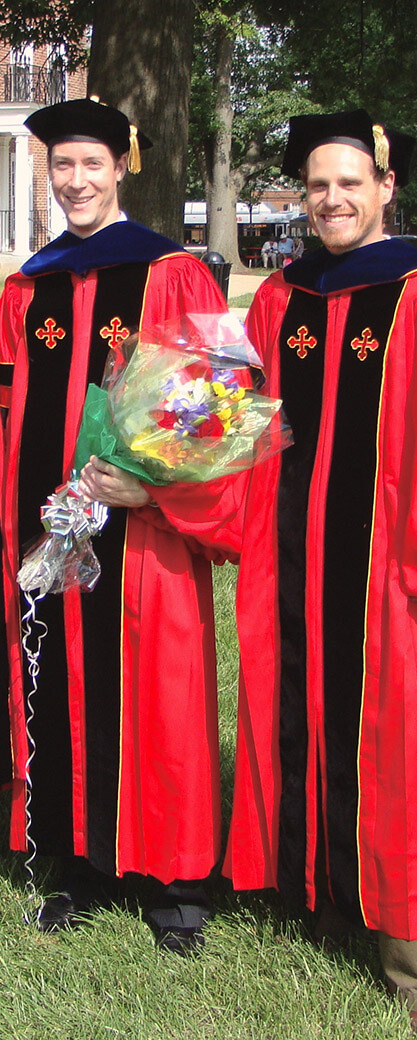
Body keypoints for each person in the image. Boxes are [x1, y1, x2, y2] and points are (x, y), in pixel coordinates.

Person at [223, 110, 417, 1034]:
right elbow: (240, 423)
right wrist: (169, 455)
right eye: (317, 184)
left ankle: (415, 967)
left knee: (398, 748)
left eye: (350, 182)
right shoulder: (279, 301)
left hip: (390, 571)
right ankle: (307, 895)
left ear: (386, 188)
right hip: (289, 563)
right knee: (294, 718)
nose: (331, 198)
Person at [0, 97, 245, 952]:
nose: (75, 181)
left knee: (157, 693)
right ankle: (74, 863)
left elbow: (215, 409)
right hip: (47, 531)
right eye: (61, 167)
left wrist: (156, 495)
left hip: (144, 539)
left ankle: (174, 880)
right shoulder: (27, 286)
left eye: (90, 165)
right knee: (58, 679)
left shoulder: (174, 272)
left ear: (121, 168)